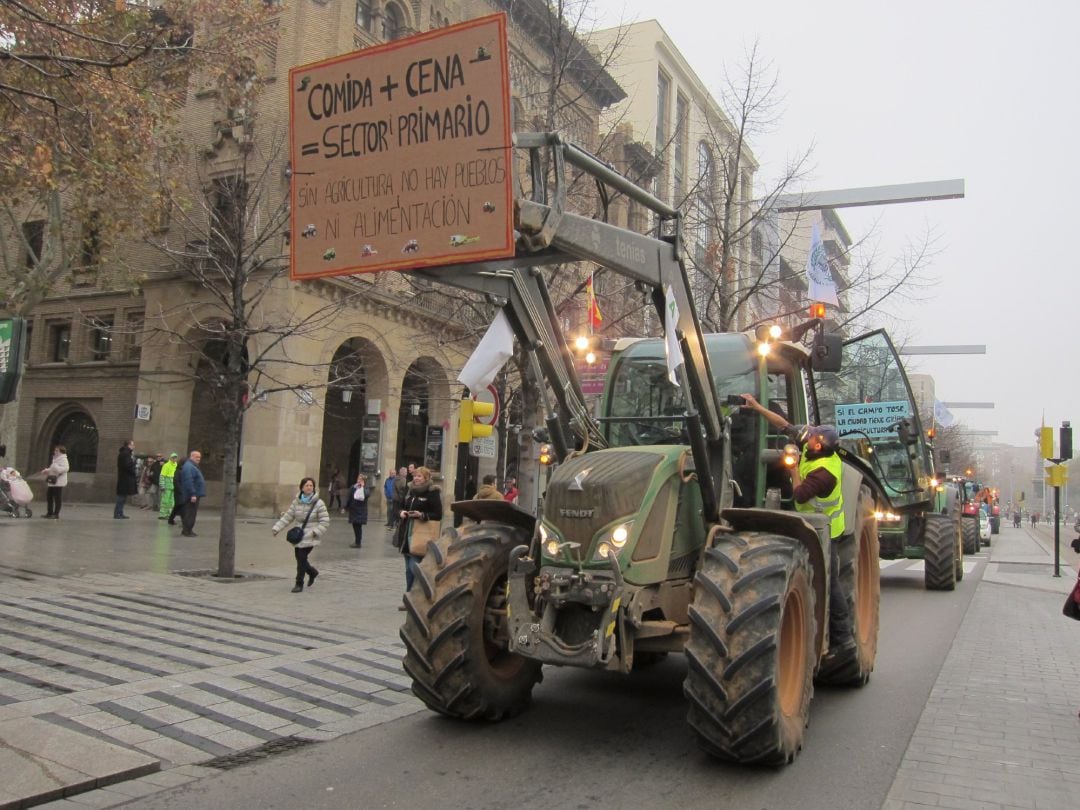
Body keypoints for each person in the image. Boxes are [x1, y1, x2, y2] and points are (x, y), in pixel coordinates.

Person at [741, 392, 854, 658]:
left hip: (826, 529)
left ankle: (843, 640)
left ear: (819, 446)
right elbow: (783, 424)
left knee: (831, 583)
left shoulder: (825, 472)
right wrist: (757, 406)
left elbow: (800, 494)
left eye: (813, 436)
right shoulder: (811, 444)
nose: (807, 436)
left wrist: (791, 467)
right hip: (805, 519)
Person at [395, 465, 442, 609]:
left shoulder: (432, 493)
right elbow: (400, 506)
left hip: (421, 535)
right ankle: (411, 597)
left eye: (419, 476)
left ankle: (415, 598)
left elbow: (438, 514)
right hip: (406, 535)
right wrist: (402, 512)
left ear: (426, 478)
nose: (416, 478)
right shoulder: (410, 490)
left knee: (414, 568)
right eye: (415, 476)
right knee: (408, 569)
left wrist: (422, 515)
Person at [272, 477, 330, 593]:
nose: (309, 487)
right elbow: (288, 517)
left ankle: (299, 583)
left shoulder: (319, 503)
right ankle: (312, 572)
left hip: (310, 536)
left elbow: (325, 521)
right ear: (302, 487)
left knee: (301, 558)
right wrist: (277, 528)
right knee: (300, 558)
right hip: (299, 535)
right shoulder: (296, 502)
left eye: (311, 486)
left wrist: (315, 532)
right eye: (307, 485)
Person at [177, 450, 206, 537]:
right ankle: (187, 530)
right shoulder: (189, 467)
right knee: (190, 513)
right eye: (197, 457)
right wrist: (193, 494)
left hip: (194, 493)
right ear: (191, 456)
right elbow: (188, 481)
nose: (199, 459)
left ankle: (188, 530)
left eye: (200, 457)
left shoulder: (192, 466)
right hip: (192, 494)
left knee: (191, 512)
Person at [40, 444, 70, 519]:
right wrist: (46, 470)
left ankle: (56, 514)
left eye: (57, 450)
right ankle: (49, 512)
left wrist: (55, 466)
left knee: (57, 498)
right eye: (55, 450)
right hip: (53, 481)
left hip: (59, 482)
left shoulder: (63, 459)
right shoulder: (56, 458)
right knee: (49, 496)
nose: (55, 451)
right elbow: (52, 468)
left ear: (61, 452)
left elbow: (65, 469)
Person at [346, 472, 370, 548]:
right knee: (355, 526)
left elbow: (367, 495)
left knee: (358, 527)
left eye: (361, 479)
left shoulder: (365, 488)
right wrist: (346, 507)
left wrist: (362, 487)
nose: (359, 480)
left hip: (360, 511)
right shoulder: (353, 487)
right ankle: (357, 541)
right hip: (353, 510)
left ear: (364, 481)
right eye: (358, 478)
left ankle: (358, 542)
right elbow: (349, 497)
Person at [114, 440, 137, 519]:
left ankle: (120, 513)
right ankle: (117, 513)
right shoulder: (125, 454)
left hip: (125, 478)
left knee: (123, 497)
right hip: (124, 479)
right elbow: (127, 465)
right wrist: (133, 467)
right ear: (128, 445)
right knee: (121, 497)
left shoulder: (126, 453)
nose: (134, 446)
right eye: (133, 445)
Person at [158, 453, 179, 520]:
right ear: (170, 458)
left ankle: (169, 514)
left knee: (172, 501)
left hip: (173, 486)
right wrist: (162, 485)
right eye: (173, 457)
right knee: (165, 500)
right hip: (167, 486)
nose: (174, 459)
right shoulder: (166, 465)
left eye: (175, 457)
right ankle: (163, 514)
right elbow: (162, 476)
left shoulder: (176, 465)